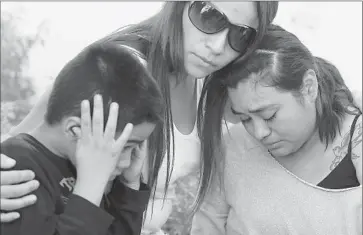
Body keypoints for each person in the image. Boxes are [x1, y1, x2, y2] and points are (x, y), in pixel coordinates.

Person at [0, 2, 279, 234]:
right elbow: (29, 142)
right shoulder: (121, 73)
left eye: (241, 35)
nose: (218, 46)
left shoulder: (210, 83)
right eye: (209, 16)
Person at [191, 24, 362, 234]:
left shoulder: (356, 139)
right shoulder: (232, 147)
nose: (259, 132)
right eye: (245, 119)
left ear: (309, 87)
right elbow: (206, 227)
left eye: (269, 115)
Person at [1, 42, 165, 235]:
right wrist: (89, 188)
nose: (126, 162)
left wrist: (129, 188)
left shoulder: (80, 162)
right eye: (124, 146)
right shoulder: (17, 169)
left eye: (135, 148)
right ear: (75, 130)